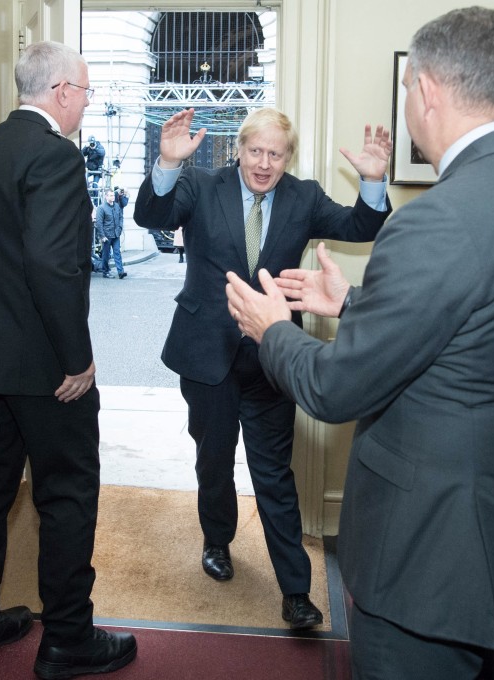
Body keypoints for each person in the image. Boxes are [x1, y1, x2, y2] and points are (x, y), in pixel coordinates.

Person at [224, 8, 494, 677]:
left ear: (426, 91)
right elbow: (472, 327)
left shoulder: (439, 220)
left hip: (428, 556)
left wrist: (272, 329)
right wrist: (355, 302)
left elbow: (332, 388)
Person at [131, 106, 391, 630]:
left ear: (287, 158)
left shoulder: (304, 196)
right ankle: (218, 540)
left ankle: (296, 590)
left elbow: (361, 224)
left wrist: (373, 181)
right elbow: (150, 217)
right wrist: (165, 162)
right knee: (214, 457)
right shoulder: (202, 184)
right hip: (207, 355)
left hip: (273, 358)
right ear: (239, 149)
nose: (264, 163)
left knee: (273, 472)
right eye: (256, 151)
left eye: (275, 154)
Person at [0, 40, 136, 679]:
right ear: (60, 92)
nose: (85, 101)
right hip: (47, 370)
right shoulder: (55, 157)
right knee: (67, 495)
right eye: (84, 91)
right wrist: (77, 360)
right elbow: (54, 266)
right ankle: (68, 642)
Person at [95, 188, 128, 279]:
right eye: (110, 195)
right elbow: (99, 223)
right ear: (106, 197)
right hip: (106, 235)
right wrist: (102, 236)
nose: (113, 197)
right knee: (106, 254)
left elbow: (121, 217)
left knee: (117, 252)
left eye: (113, 195)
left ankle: (120, 272)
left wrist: (120, 228)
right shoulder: (101, 208)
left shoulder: (117, 206)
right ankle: (105, 272)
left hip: (116, 234)